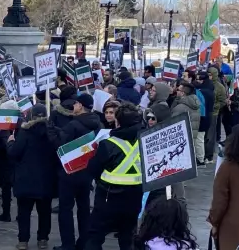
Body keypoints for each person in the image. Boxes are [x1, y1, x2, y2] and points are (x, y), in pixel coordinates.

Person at [83, 102, 143, 250]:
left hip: (107, 199)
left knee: (95, 236)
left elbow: (93, 169)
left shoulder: (107, 144)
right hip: (134, 199)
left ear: (118, 121)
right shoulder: (144, 141)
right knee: (127, 237)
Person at [48, 93, 101, 250]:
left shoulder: (74, 125)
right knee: (84, 209)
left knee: (65, 209)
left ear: (80, 105)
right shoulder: (98, 124)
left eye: (76, 104)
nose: (74, 106)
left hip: (69, 174)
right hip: (87, 173)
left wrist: (51, 131)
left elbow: (60, 146)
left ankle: (68, 244)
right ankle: (83, 242)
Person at [8, 104, 55, 250]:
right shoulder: (53, 132)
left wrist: (10, 142)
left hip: (26, 179)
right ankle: (43, 239)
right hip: (46, 179)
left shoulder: (25, 132)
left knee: (24, 212)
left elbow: (14, 153)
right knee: (45, 212)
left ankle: (23, 241)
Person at [0, 100, 19, 223]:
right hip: (12, 162)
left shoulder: (7, 127)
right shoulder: (21, 123)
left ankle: (6, 213)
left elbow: (5, 146)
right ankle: (12, 213)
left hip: (7, 161)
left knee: (7, 188)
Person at [206, 67, 227, 161]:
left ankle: (209, 154)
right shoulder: (205, 84)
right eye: (208, 74)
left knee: (211, 134)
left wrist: (214, 106)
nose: (209, 76)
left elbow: (223, 101)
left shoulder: (220, 87)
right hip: (203, 112)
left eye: (210, 74)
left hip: (213, 113)